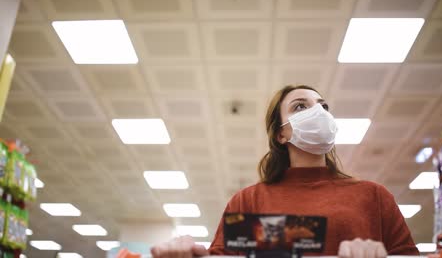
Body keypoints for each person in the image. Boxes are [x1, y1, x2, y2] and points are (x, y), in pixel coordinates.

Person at [151, 85, 420, 258]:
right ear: (280, 133)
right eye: (300, 106)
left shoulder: (373, 196)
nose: (319, 112)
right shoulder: (249, 201)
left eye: (323, 106)